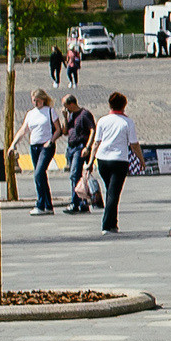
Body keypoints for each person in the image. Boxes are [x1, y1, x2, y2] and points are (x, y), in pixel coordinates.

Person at [95, 88, 136, 234]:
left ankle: (113, 223)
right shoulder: (127, 122)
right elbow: (134, 143)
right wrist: (141, 159)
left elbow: (97, 142)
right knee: (113, 193)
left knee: (110, 191)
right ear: (124, 105)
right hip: (119, 160)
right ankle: (107, 225)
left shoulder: (102, 121)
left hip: (102, 160)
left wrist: (90, 160)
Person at [22, 89, 57, 216]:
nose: (36, 103)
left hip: (46, 146)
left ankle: (40, 204)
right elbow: (24, 129)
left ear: (43, 99)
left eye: (38, 100)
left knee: (38, 173)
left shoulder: (49, 111)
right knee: (41, 176)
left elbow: (58, 129)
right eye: (34, 100)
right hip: (34, 146)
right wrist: (14, 144)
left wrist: (51, 140)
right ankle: (48, 205)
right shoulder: (31, 114)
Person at [61, 94, 96, 214]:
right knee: (76, 176)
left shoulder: (84, 114)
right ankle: (82, 202)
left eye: (65, 106)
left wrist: (87, 147)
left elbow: (92, 130)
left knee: (74, 174)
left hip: (80, 147)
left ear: (71, 104)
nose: (64, 109)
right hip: (71, 147)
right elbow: (65, 132)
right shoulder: (70, 115)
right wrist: (65, 118)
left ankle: (75, 202)